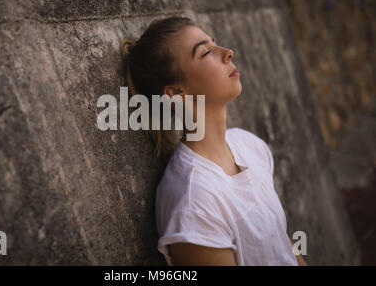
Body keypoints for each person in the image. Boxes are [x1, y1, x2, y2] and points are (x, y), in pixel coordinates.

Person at [120, 16, 307, 266]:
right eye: (207, 51)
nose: (228, 52)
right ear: (177, 93)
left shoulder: (250, 146)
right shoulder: (193, 201)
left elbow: (282, 246)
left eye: (214, 43)